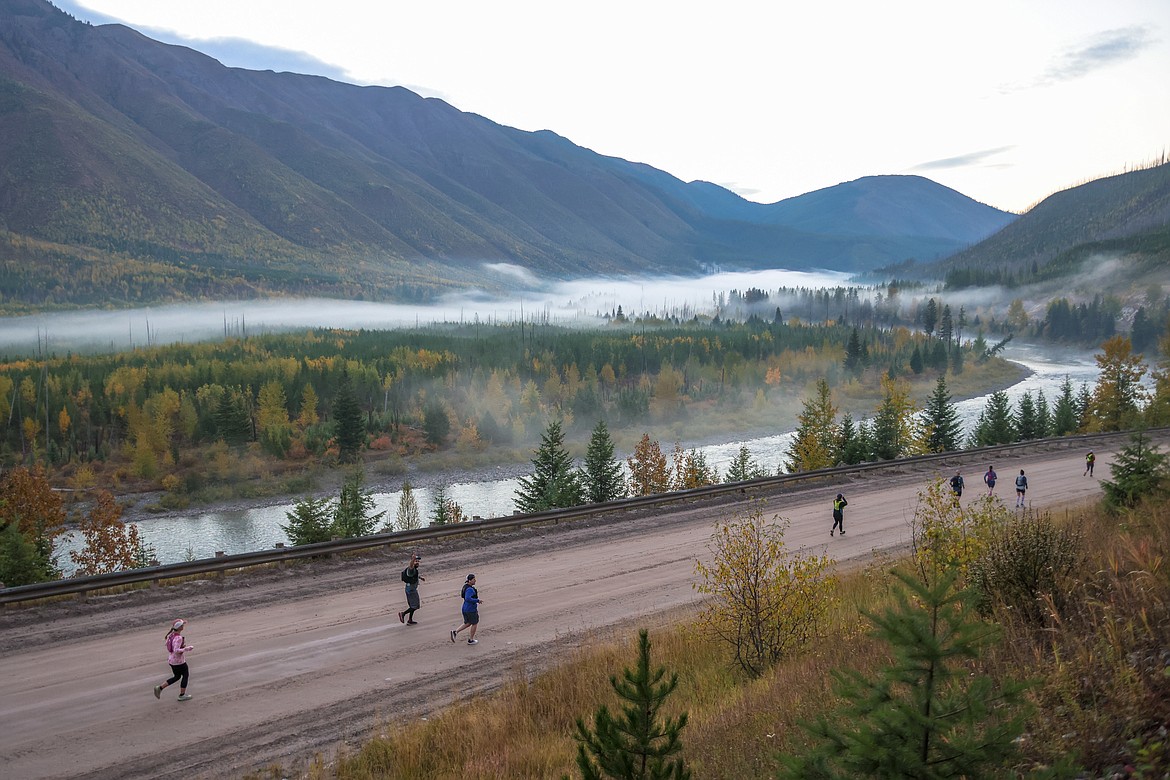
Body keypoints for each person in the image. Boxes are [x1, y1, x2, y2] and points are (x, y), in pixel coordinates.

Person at [153, 618, 194, 701]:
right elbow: (176, 650)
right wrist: (187, 648)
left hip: (171, 660)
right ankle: (182, 695)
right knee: (185, 675)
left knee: (177, 676)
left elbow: (169, 646)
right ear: (179, 627)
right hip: (178, 661)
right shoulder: (178, 638)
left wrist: (181, 647)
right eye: (182, 625)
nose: (183, 626)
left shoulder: (171, 635)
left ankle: (160, 688)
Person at [451, 574, 483, 645]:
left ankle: (455, 632)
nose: (475, 581)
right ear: (470, 580)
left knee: (468, 623)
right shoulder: (470, 589)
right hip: (470, 609)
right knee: (474, 623)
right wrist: (477, 600)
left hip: (465, 608)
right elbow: (468, 598)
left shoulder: (465, 587)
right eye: (474, 579)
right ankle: (471, 640)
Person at [398, 553, 425, 625]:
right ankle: (403, 614)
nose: (418, 563)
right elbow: (410, 567)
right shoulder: (411, 569)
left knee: (412, 606)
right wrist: (412, 560)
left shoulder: (414, 570)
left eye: (418, 561)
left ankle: (410, 620)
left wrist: (420, 577)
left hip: (410, 589)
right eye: (416, 561)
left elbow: (413, 575)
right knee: (415, 606)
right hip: (411, 591)